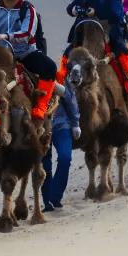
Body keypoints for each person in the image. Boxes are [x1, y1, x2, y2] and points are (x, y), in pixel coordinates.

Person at [61, 0, 128, 97]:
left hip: (109, 31)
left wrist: (96, 12)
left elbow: (116, 14)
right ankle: (63, 80)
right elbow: (70, 8)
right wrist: (74, 10)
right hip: (86, 32)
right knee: (68, 52)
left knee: (122, 50)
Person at [42, 82, 79, 211]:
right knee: (45, 165)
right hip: (40, 128)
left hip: (61, 125)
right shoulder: (26, 75)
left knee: (65, 158)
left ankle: (55, 195)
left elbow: (71, 99)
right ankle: (47, 202)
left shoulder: (60, 79)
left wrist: (75, 123)